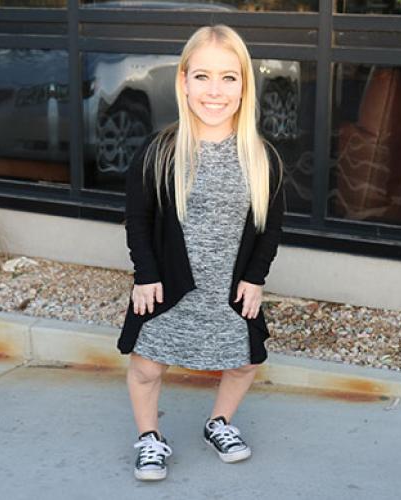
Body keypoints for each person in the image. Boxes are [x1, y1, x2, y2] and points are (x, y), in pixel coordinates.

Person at [118, 25, 285, 481]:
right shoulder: (159, 152)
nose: (215, 91)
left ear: (244, 86)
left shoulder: (260, 156)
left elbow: (271, 226)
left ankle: (220, 423)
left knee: (247, 360)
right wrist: (145, 275)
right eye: (203, 77)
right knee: (147, 365)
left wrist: (255, 277)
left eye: (229, 78)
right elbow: (139, 220)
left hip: (229, 286)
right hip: (169, 283)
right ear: (184, 82)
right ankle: (150, 437)